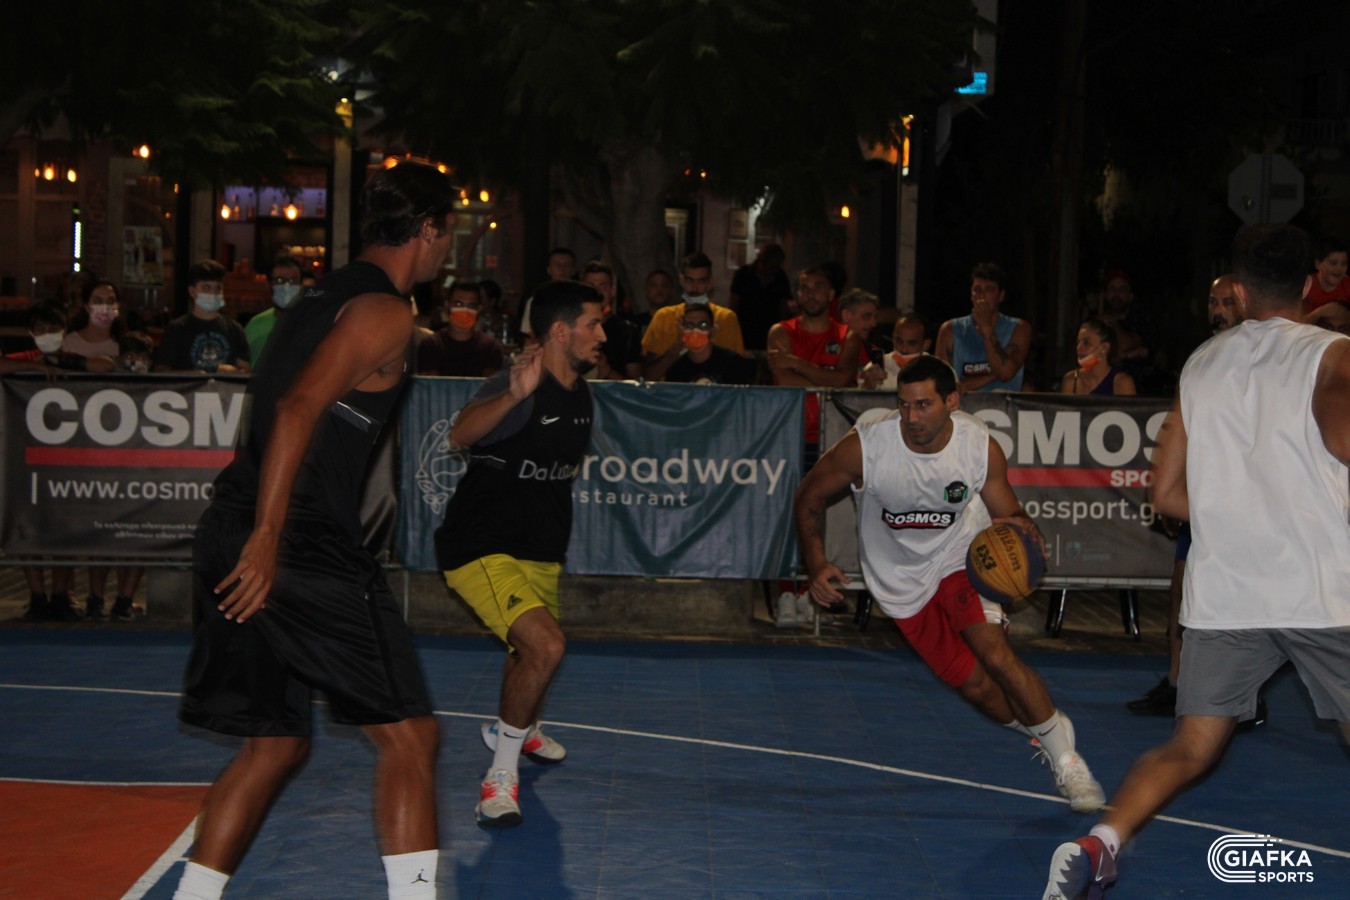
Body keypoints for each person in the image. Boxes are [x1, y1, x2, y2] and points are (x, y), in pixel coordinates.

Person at [174, 162, 455, 900]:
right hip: (292, 540)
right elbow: (297, 408)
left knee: (273, 743)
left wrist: (254, 533)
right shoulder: (385, 312)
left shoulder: (319, 297)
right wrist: (269, 538)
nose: (447, 249)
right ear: (429, 231)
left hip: (232, 524)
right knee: (411, 736)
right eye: (448, 234)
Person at [1044, 225, 1350, 900]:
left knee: (1189, 747)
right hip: (1319, 587)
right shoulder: (1332, 355)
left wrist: (1233, 513)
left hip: (1225, 592)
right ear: (1307, 284)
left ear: (1238, 288)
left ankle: (1101, 842)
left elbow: (1164, 495)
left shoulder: (1202, 364)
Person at [796, 354, 1105, 814]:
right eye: (904, 405)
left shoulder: (977, 446)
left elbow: (1008, 512)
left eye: (923, 405)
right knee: (978, 689)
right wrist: (816, 562)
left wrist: (1023, 530)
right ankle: (1047, 729)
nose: (911, 417)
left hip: (961, 555)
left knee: (994, 653)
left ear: (952, 402)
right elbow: (810, 494)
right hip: (898, 579)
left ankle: (1067, 760)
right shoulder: (867, 446)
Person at [434, 280, 606, 828]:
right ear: (560, 331)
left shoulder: (581, 393)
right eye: (593, 324)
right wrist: (512, 395)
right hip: (481, 544)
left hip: (541, 549)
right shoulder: (516, 384)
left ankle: (518, 728)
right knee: (546, 645)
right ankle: (498, 781)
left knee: (528, 652)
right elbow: (460, 435)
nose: (602, 335)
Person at [1127, 274, 1241, 717]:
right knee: (1182, 588)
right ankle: (1177, 682)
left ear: (1246, 302)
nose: (1218, 310)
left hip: (1243, 502)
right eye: (1212, 301)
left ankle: (1243, 694)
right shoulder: (1202, 359)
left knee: (1235, 602)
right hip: (1202, 495)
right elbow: (1182, 427)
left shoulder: (1261, 361)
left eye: (1227, 302)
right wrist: (1172, 485)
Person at [767, 266, 864, 451]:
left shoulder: (848, 335)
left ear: (831, 294)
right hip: (790, 430)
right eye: (804, 288)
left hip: (835, 432)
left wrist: (796, 362)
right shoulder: (780, 331)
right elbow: (786, 381)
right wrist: (829, 380)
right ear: (797, 295)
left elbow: (842, 380)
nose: (811, 294)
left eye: (818, 287)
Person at [642, 252, 745, 381]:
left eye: (702, 281)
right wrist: (676, 348)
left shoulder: (727, 318)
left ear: (710, 282)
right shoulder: (663, 317)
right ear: (681, 280)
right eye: (689, 280)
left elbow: (736, 367)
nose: (695, 288)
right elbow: (648, 374)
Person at [935, 262, 1031, 393]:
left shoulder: (1019, 328)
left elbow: (1005, 373)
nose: (982, 296)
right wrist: (992, 375)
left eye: (989, 290)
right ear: (971, 294)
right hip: (964, 404)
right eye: (977, 290)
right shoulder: (949, 330)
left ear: (1001, 296)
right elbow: (944, 386)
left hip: (1003, 404)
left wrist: (987, 329)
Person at [153, 259, 251, 374]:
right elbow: (161, 371)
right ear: (192, 291)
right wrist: (192, 376)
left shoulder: (235, 329)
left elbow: (245, 370)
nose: (213, 294)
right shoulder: (176, 329)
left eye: (218, 288)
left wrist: (233, 371)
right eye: (206, 288)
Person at [416, 280, 505, 377]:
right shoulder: (431, 345)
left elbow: (491, 384)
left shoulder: (491, 347)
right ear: (447, 306)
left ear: (479, 310)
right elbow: (430, 384)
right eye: (458, 304)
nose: (464, 310)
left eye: (471, 306)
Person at [663, 303, 757, 385]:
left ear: (712, 331)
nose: (696, 331)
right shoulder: (676, 367)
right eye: (689, 325)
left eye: (703, 325)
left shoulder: (732, 362)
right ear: (682, 331)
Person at [580, 260, 642, 379]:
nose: (597, 291)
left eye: (603, 286)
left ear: (612, 290)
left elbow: (635, 386)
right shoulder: (570, 327)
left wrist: (607, 371)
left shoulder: (628, 331)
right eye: (591, 286)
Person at [244, 255, 305, 368]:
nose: (287, 286)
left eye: (292, 280)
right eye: (279, 280)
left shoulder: (313, 323)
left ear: (301, 285)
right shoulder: (255, 324)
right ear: (269, 285)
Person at [729, 242, 792, 351]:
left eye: (776, 267)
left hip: (770, 331)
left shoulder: (780, 277)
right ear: (762, 261)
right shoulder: (743, 274)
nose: (773, 270)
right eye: (771, 267)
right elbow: (734, 303)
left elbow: (783, 307)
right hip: (746, 329)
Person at [1058, 318, 1137, 396]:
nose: (1079, 347)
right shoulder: (1071, 380)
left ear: (1105, 348)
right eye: (1078, 342)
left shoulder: (1122, 382)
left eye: (1086, 343)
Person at [860, 315, 931, 391]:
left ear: (926, 344)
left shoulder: (935, 369)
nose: (904, 350)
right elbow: (857, 396)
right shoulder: (875, 368)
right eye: (899, 341)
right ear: (893, 337)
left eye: (912, 343)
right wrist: (868, 386)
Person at [64, 280, 125, 358]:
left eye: (110, 301)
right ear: (87, 307)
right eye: (98, 301)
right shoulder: (70, 343)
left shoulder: (123, 344)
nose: (105, 306)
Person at [1302, 235, 1349, 313]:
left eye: (1344, 264)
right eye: (1333, 263)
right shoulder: (1306, 286)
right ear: (1318, 264)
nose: (1339, 268)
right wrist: (1321, 312)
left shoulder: (1347, 285)